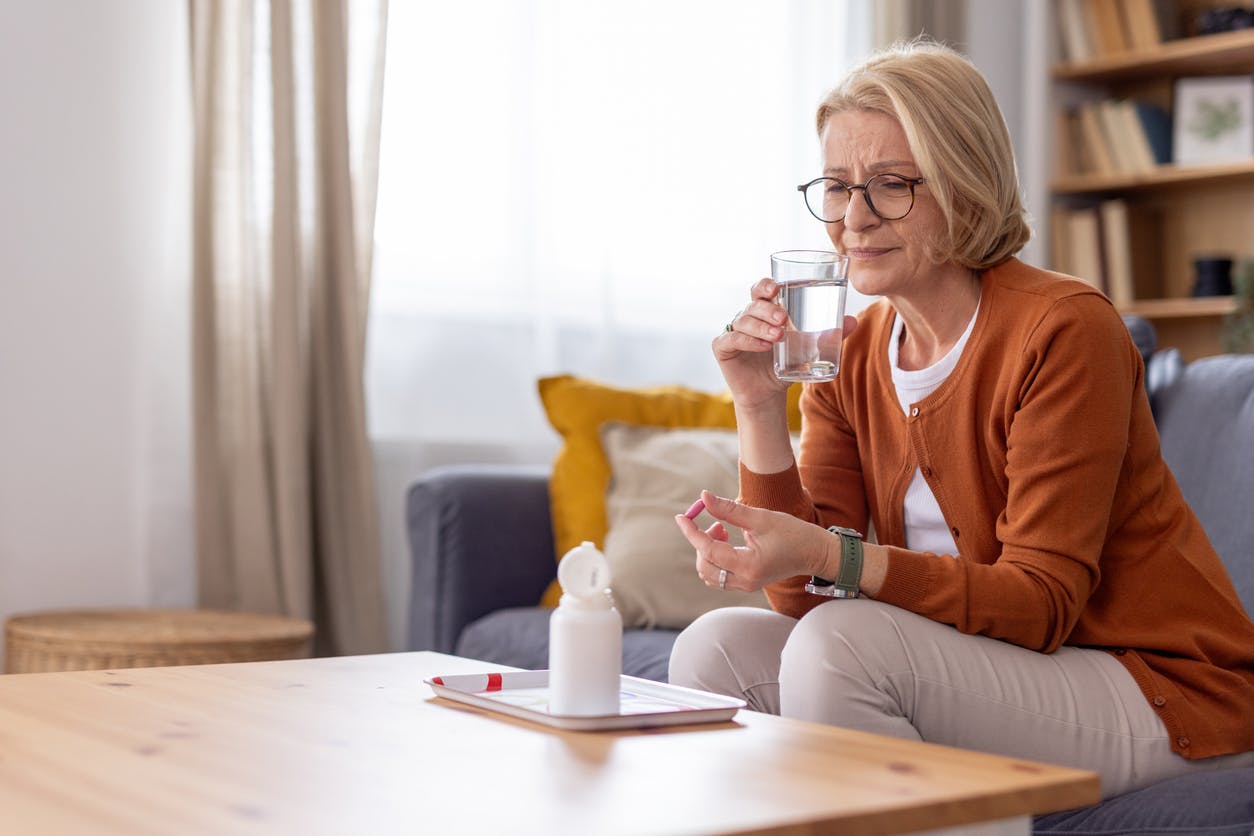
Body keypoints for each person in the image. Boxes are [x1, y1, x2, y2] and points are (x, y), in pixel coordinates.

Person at [670, 39, 1254, 799]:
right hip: (1000, 663)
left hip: (1156, 685)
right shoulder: (846, 351)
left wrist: (835, 556)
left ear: (967, 185)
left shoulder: (1064, 329)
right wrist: (756, 403)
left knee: (842, 644)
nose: (853, 218)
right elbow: (798, 591)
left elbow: (1041, 602)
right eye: (838, 187)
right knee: (715, 648)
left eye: (889, 185)